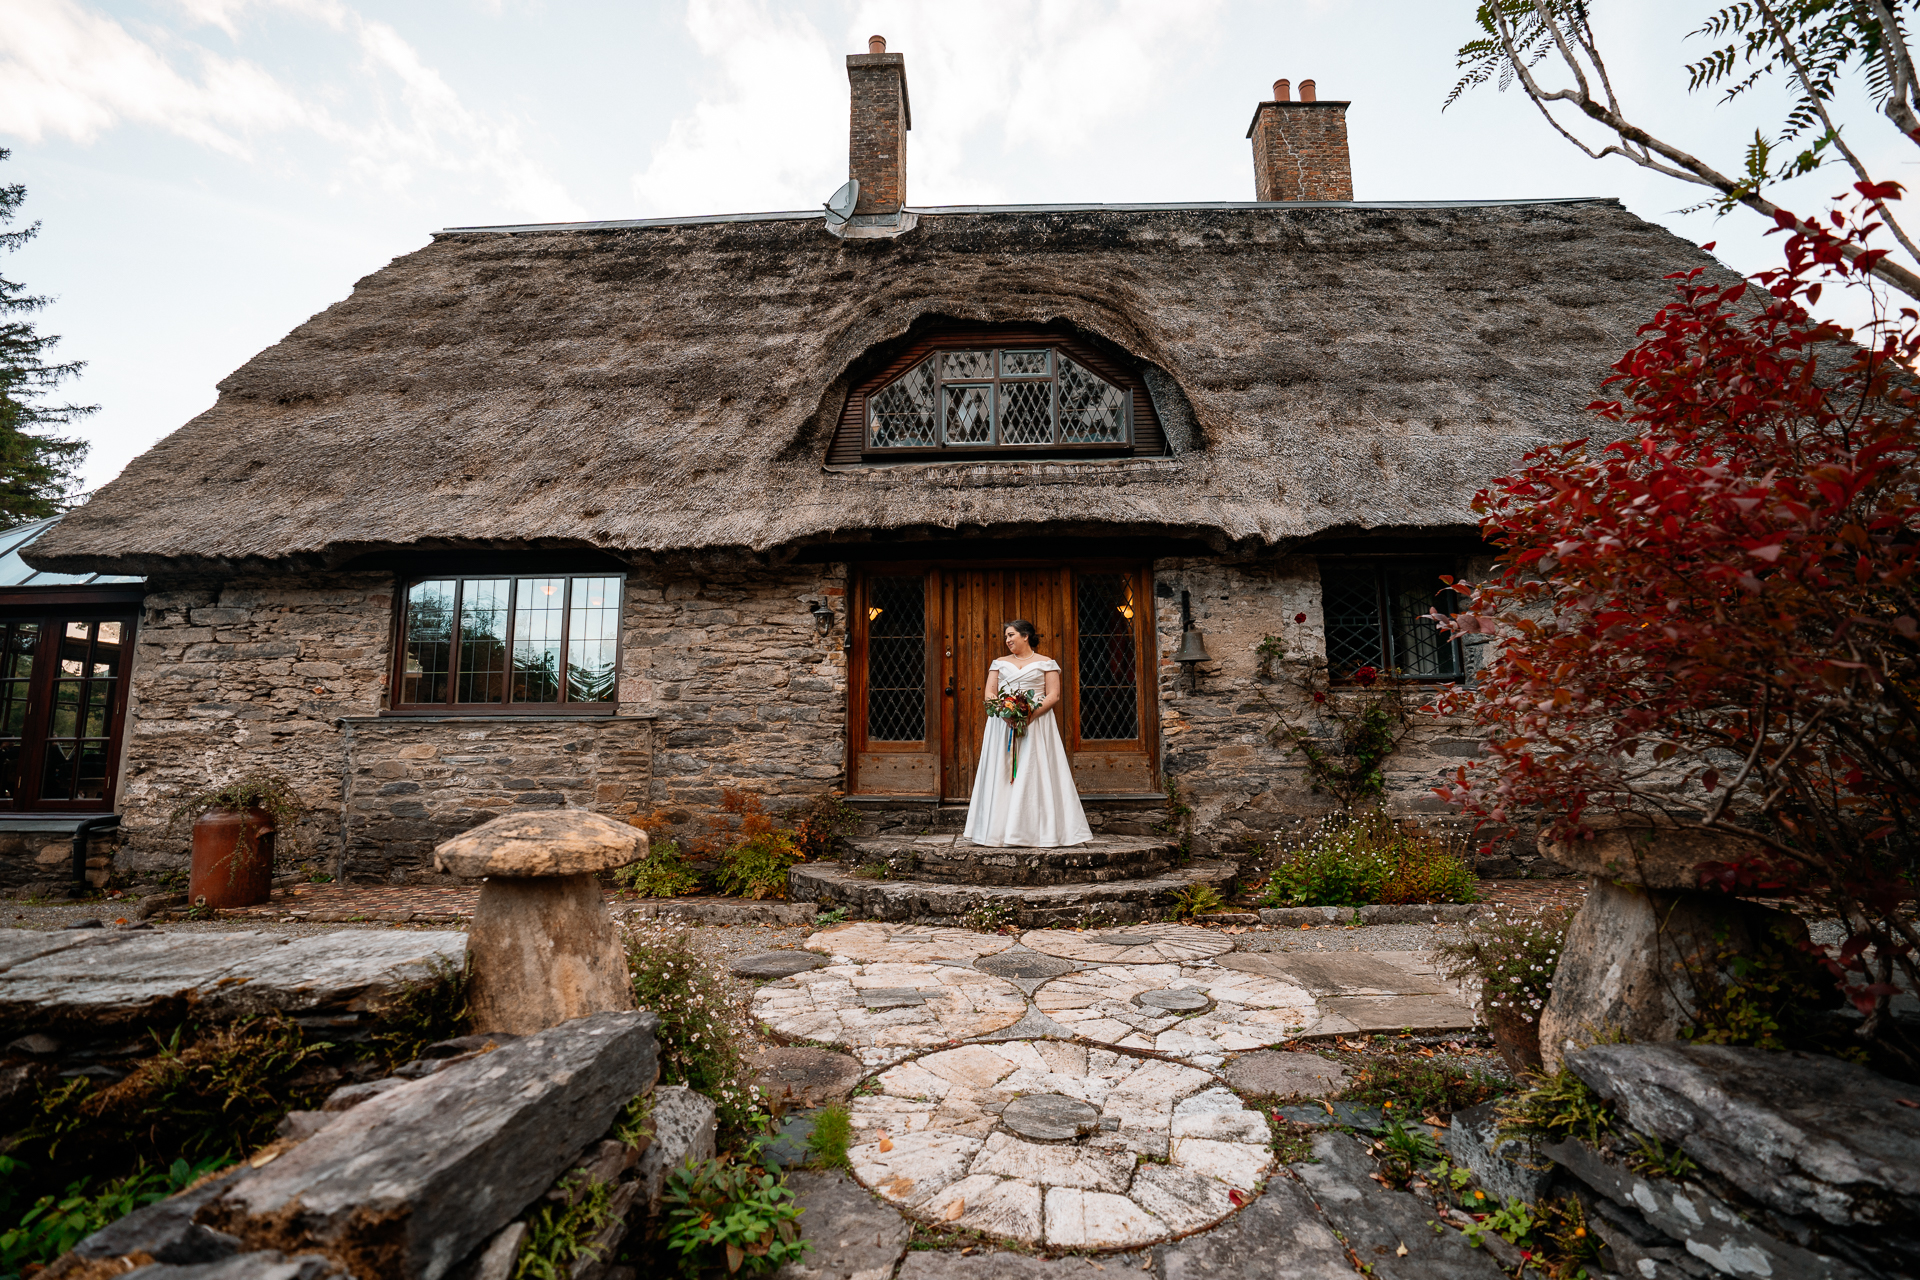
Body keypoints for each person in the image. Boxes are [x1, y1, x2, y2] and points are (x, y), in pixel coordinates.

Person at [963, 619, 1092, 848]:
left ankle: (1035, 831)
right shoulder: (999, 663)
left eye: (1011, 635)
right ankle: (998, 831)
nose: (1007, 640)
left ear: (1026, 636)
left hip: (1037, 724)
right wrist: (1005, 714)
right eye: (1005, 637)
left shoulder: (1046, 663)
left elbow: (1054, 695)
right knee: (1003, 771)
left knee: (1034, 770)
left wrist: (1029, 715)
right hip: (1002, 725)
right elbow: (990, 694)